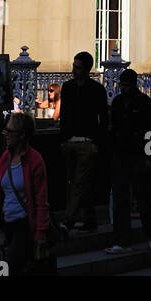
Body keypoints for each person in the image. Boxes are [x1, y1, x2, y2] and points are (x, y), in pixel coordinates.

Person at [0, 112, 52, 276]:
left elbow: (41, 199)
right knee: (11, 267)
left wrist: (40, 232)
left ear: (21, 135)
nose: (6, 135)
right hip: (8, 223)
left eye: (9, 131)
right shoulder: (5, 158)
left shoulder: (35, 160)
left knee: (8, 267)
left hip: (25, 224)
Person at [105, 68, 151, 255]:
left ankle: (149, 232)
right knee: (121, 197)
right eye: (123, 85)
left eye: (127, 85)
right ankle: (123, 239)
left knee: (142, 196)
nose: (124, 88)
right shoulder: (120, 102)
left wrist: (150, 156)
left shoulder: (143, 102)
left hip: (137, 153)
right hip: (122, 153)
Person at [58, 51, 108, 233]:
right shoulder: (68, 87)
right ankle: (90, 218)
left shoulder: (97, 90)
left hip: (87, 142)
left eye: (77, 67)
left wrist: (96, 143)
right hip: (69, 141)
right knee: (77, 182)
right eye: (73, 66)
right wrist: (63, 139)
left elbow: (103, 119)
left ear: (87, 69)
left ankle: (67, 221)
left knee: (79, 183)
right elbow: (64, 114)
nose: (74, 70)